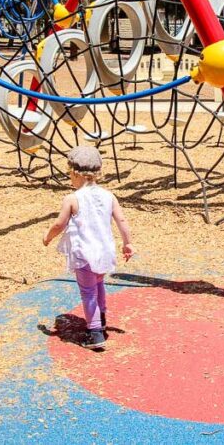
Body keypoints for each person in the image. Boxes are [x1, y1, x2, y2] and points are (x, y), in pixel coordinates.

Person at [42, 146, 135, 350]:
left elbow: (59, 224)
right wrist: (127, 243)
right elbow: (122, 220)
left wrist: (47, 237)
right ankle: (100, 319)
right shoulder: (109, 196)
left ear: (75, 174)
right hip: (104, 253)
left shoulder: (72, 199)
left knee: (88, 292)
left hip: (85, 254)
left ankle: (94, 333)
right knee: (99, 285)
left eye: (69, 175)